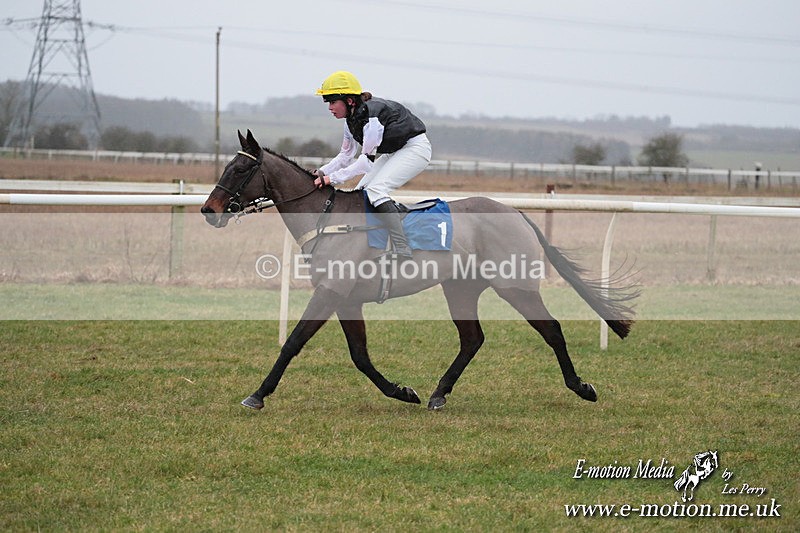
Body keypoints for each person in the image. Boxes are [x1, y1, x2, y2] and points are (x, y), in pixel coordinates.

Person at [313, 70, 432, 258]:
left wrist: (331, 179)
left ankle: (402, 247)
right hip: (395, 151)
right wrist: (320, 172)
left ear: (349, 101)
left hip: (415, 149)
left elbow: (365, 164)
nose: (329, 107)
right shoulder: (350, 121)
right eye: (328, 102)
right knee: (360, 193)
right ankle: (371, 245)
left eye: (333, 101)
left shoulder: (371, 119)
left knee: (375, 191)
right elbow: (345, 155)